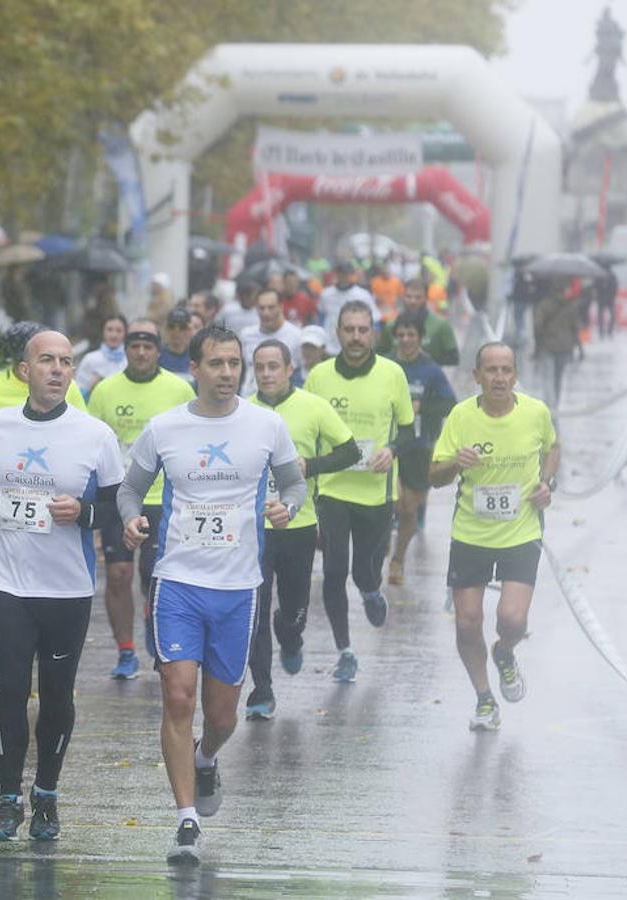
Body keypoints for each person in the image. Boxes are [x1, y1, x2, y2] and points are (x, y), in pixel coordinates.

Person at [119, 324, 306, 865]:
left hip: (238, 587)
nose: (227, 374)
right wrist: (132, 520)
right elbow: (131, 488)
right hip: (177, 581)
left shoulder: (267, 426)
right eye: (216, 364)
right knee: (177, 695)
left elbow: (294, 485)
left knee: (222, 715)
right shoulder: (164, 428)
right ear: (194, 369)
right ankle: (186, 821)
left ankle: (206, 757)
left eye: (234, 364)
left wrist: (286, 507)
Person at [0, 330, 124, 842]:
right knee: (11, 688)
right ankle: (7, 797)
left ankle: (47, 796)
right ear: (24, 371)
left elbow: (118, 509)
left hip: (67, 588)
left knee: (56, 694)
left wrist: (83, 512)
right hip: (7, 581)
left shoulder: (94, 435)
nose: (58, 370)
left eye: (66, 362)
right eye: (47, 361)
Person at [429, 342, 559, 732]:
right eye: (491, 371)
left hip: (521, 531)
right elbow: (434, 476)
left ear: (515, 375)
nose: (499, 378)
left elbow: (553, 447)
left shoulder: (536, 412)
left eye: (506, 370)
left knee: (512, 619)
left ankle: (505, 652)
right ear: (477, 376)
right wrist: (455, 462)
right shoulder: (461, 416)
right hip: (471, 533)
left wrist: (546, 482)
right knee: (468, 623)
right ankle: (485, 699)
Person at [244, 340, 359, 720]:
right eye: (260, 367)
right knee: (254, 611)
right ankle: (261, 690)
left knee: (292, 610)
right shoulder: (242, 410)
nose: (266, 374)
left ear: (290, 369)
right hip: (252, 528)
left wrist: (310, 464)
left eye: (274, 366)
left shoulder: (313, 407)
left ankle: (290, 636)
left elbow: (350, 451)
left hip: (299, 523)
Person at [304, 301, 415, 683]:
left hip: (376, 491)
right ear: (337, 333)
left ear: (373, 333)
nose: (355, 337)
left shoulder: (392, 373)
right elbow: (308, 427)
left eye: (362, 330)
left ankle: (370, 590)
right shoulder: (318, 376)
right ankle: (345, 651)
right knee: (334, 571)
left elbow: (407, 428)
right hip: (332, 489)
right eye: (348, 329)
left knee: (364, 570)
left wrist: (392, 450)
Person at [86, 319, 194, 678]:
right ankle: (125, 651)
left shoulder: (179, 390)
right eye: (135, 346)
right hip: (119, 495)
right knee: (117, 574)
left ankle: (155, 627)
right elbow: (91, 444)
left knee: (155, 576)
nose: (142, 352)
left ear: (158, 350)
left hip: (164, 496)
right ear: (126, 350)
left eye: (149, 346)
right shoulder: (105, 391)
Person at [385, 311, 456, 586]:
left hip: (418, 446)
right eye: (401, 335)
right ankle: (382, 547)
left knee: (409, 510)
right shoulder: (386, 364)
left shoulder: (431, 370)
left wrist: (422, 407)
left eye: (411, 335)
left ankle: (398, 558)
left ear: (420, 337)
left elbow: (450, 403)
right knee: (395, 503)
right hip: (388, 446)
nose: (405, 340)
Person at [0, 321, 86, 461]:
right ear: (24, 368)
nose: (56, 369)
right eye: (46, 359)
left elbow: (84, 432)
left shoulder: (68, 388)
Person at [376, 277, 460, 366]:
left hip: (428, 378)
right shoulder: (391, 325)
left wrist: (425, 363)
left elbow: (453, 358)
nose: (413, 301)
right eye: (409, 296)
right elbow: (379, 356)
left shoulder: (441, 325)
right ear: (403, 297)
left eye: (418, 297)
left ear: (426, 298)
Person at [238, 289, 303, 397]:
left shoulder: (297, 336)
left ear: (281, 307)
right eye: (261, 308)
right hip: (248, 399)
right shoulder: (246, 335)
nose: (266, 313)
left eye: (271, 307)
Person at [532, 279, 582, 409]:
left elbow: (537, 326)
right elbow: (576, 328)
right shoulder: (571, 306)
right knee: (558, 378)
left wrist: (538, 344)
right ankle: (555, 405)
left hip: (547, 346)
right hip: (565, 347)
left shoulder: (544, 305)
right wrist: (579, 348)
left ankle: (550, 407)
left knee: (548, 378)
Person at [318, 262, 379, 354]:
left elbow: (375, 320)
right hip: (329, 346)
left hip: (355, 344)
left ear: (350, 274)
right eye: (340, 273)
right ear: (336, 274)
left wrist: (372, 344)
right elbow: (321, 318)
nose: (342, 276)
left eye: (345, 273)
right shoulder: (326, 294)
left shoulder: (362, 294)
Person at [75, 314, 128, 399]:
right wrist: (91, 388)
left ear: (125, 333)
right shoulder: (90, 359)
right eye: (109, 330)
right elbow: (77, 395)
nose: (114, 335)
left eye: (119, 331)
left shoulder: (130, 360)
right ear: (103, 331)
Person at [158, 306, 195, 380]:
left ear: (190, 330)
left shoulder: (196, 357)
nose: (176, 332)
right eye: (171, 327)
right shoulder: (157, 356)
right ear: (166, 329)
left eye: (182, 327)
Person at [370, 259, 404, 325]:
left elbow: (401, 297)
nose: (385, 271)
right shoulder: (375, 281)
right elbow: (371, 296)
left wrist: (398, 308)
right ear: (380, 270)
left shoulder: (396, 281)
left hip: (393, 313)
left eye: (387, 269)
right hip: (378, 313)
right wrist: (376, 300)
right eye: (383, 269)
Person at [595, 264, 618, 338]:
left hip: (604, 299)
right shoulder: (611, 276)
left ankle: (604, 331)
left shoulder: (602, 275)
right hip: (605, 299)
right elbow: (615, 287)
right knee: (610, 315)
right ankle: (605, 331)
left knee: (604, 316)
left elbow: (595, 287)